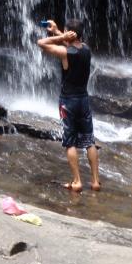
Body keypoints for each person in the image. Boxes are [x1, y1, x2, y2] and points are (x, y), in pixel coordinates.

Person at [37, 18, 100, 193]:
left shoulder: (66, 53)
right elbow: (73, 43)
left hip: (68, 102)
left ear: (70, 34)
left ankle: (77, 182)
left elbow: (41, 43)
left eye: (66, 32)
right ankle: (95, 182)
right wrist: (58, 32)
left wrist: (59, 36)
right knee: (89, 141)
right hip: (83, 100)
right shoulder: (86, 49)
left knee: (70, 142)